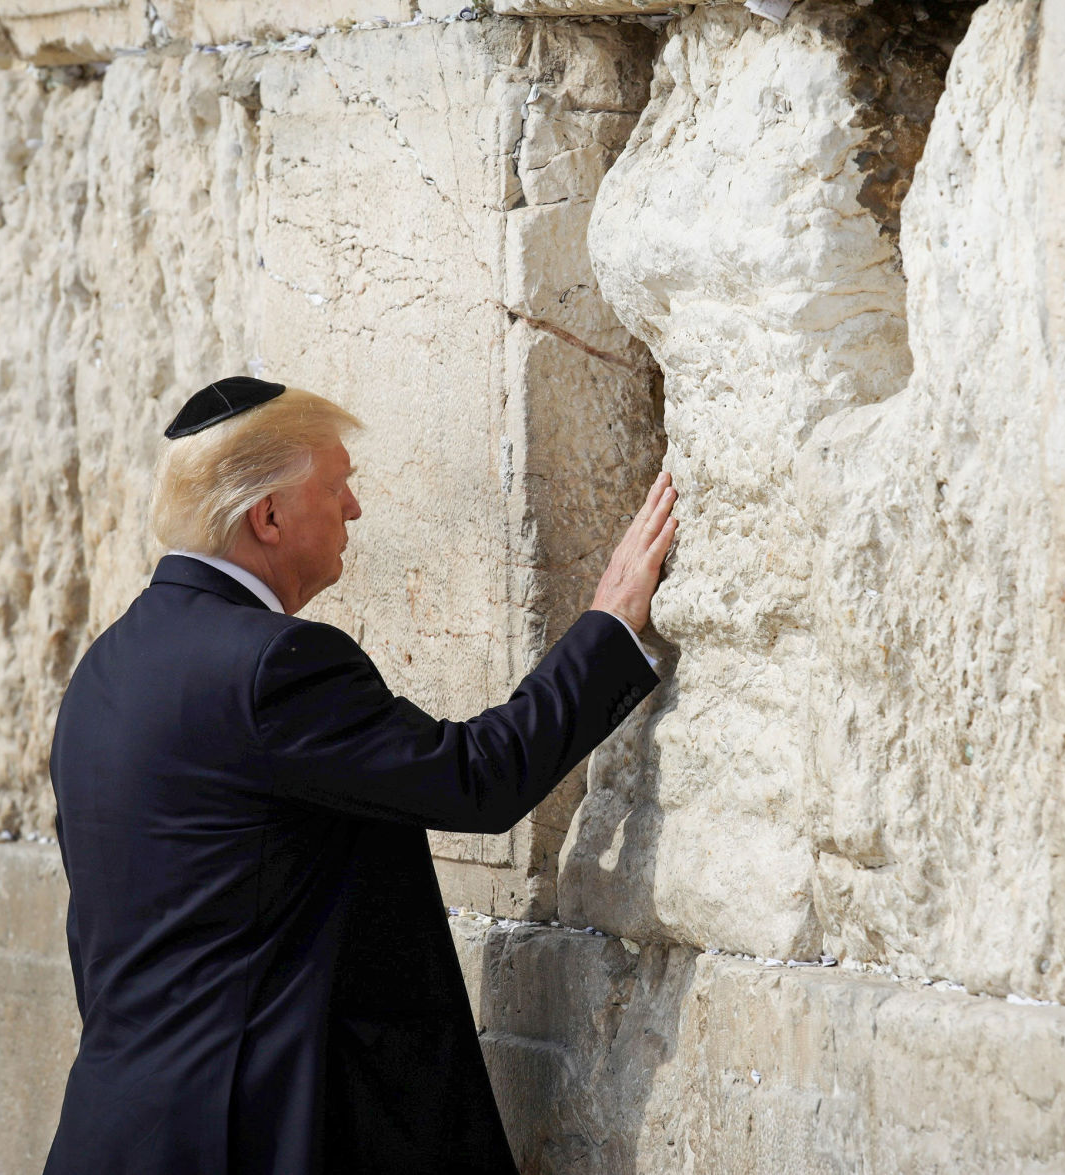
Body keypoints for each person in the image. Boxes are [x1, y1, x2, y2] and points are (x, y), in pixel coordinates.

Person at [43, 377, 676, 1174]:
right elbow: (475, 778)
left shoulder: (102, 673)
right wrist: (610, 625)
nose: (353, 509)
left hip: (118, 1131)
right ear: (267, 516)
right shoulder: (274, 665)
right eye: (336, 485)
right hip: (254, 1136)